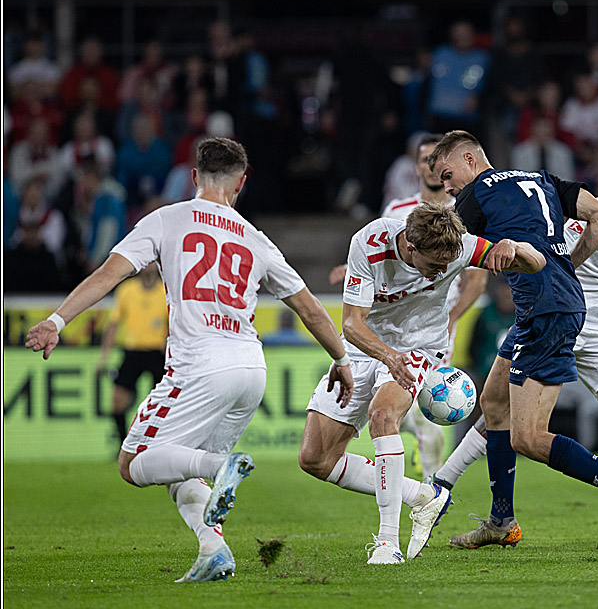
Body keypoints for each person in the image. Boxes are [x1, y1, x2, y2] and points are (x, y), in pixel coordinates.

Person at [24, 137, 355, 582]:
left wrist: (56, 321)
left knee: (134, 461)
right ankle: (213, 549)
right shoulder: (256, 239)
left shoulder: (166, 220)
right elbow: (311, 308)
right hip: (251, 369)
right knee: (181, 467)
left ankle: (221, 467)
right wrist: (343, 360)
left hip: (200, 364)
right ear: (241, 183)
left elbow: (109, 274)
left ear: (195, 177)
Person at [427, 145, 598, 546]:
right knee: (496, 402)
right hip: (563, 309)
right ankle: (476, 506)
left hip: (569, 319)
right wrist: (564, 269)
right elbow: (559, 237)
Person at [298, 203, 546, 564]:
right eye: (434, 265)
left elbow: (537, 263)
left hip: (420, 344)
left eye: (448, 264)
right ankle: (423, 495)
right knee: (315, 459)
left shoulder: (460, 246)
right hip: (367, 344)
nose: (442, 272)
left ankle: (387, 543)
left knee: (383, 415)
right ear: (411, 248)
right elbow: (352, 324)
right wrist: (387, 356)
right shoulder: (369, 242)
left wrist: (515, 248)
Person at [331, 133, 490, 478]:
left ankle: (431, 480)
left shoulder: (463, 214)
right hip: (387, 326)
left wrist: (452, 317)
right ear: (418, 167)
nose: (432, 168)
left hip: (433, 326)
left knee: (426, 408)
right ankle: (417, 481)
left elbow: (477, 279)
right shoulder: (395, 214)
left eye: (438, 160)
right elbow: (374, 260)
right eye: (425, 160)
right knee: (404, 410)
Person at [96, 262, 169, 449]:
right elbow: (113, 325)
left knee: (165, 407)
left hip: (157, 354)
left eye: (153, 263)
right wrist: (104, 357)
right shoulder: (127, 290)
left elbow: (174, 326)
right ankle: (123, 447)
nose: (149, 267)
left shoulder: (166, 291)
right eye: (146, 263)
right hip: (132, 352)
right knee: (117, 402)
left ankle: (159, 446)